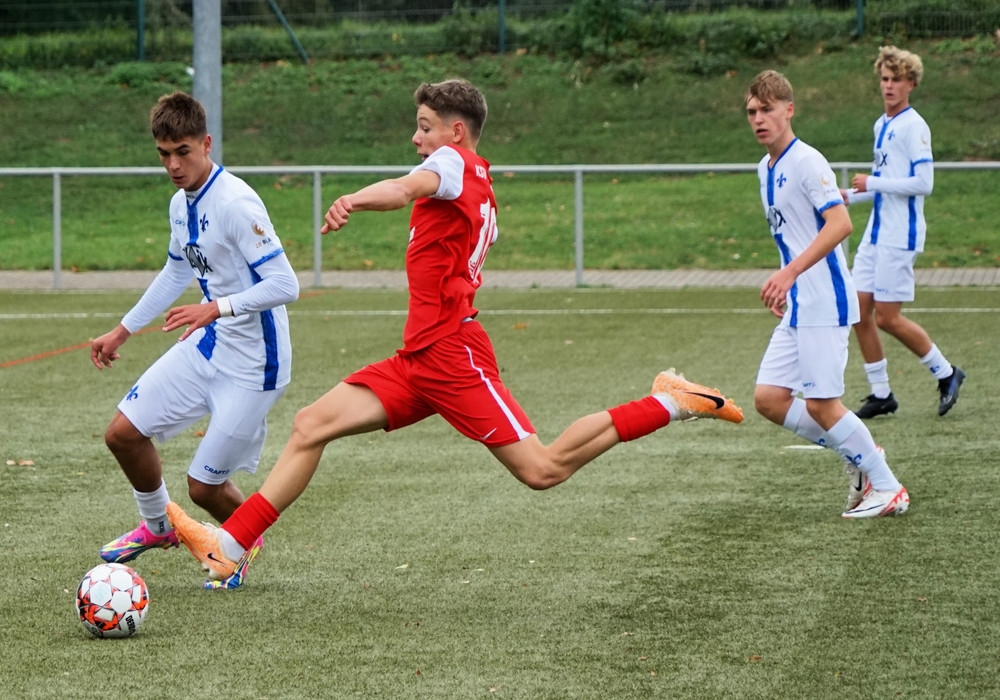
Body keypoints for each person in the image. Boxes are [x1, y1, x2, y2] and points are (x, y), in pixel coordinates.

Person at [163, 78, 744, 582]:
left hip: (452, 354)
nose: (417, 139)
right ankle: (230, 547)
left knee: (542, 469)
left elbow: (404, 188)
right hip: (419, 358)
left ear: (456, 131)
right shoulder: (476, 180)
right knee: (312, 424)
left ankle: (670, 401)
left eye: (425, 127)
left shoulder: (454, 164)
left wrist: (352, 201)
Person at [90, 91, 300, 589]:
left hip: (255, 365)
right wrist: (122, 329)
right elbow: (175, 271)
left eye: (183, 152)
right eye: (164, 154)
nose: (173, 165)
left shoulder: (235, 203)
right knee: (122, 434)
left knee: (203, 488)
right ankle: (158, 526)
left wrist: (216, 307)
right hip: (208, 345)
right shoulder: (180, 204)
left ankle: (238, 545)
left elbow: (285, 284)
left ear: (206, 144)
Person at [745, 69, 908, 518]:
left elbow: (840, 224)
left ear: (789, 110)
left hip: (825, 300)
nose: (758, 119)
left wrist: (790, 274)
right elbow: (796, 233)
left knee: (821, 404)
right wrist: (787, 283)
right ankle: (857, 453)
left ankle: (888, 487)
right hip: (800, 302)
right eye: (752, 111)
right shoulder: (765, 168)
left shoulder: (806, 160)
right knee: (769, 398)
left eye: (767, 110)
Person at [842, 46, 964, 419]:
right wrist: (846, 196)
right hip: (876, 234)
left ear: (911, 84)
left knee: (887, 317)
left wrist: (872, 182)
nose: (889, 85)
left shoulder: (914, 126)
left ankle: (947, 373)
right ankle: (881, 393)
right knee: (858, 310)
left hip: (900, 235)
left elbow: (924, 183)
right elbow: (882, 185)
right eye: (885, 79)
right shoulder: (881, 125)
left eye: (897, 79)